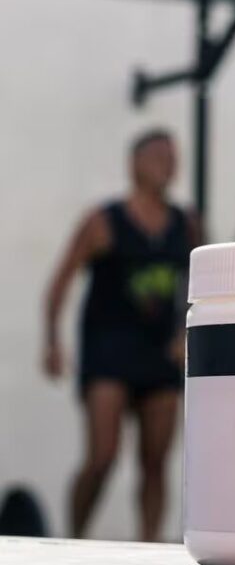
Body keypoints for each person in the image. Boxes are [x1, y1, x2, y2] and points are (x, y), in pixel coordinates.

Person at [43, 129, 201, 542]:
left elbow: (201, 283)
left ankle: (149, 544)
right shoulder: (104, 221)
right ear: (134, 164)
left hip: (159, 355)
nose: (167, 164)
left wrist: (188, 333)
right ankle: (72, 537)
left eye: (173, 156)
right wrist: (52, 341)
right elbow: (60, 281)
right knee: (103, 456)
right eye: (157, 156)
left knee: (155, 461)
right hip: (108, 351)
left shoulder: (186, 225)